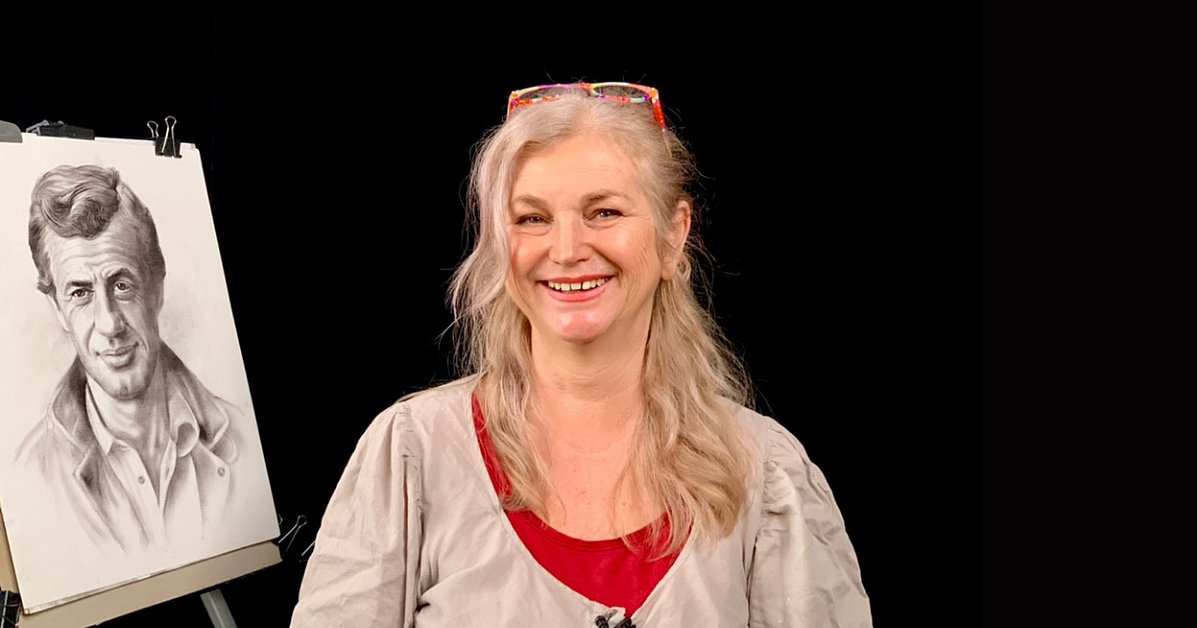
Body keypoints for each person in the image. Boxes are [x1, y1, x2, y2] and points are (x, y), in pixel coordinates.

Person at [292, 83, 871, 627]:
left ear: (674, 235)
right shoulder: (411, 453)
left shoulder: (765, 471)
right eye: (532, 219)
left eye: (604, 212)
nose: (567, 250)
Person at [13, 164, 251, 556]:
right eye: (80, 293)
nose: (109, 324)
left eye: (122, 285)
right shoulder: (29, 476)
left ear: (157, 289)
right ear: (57, 309)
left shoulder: (239, 436)